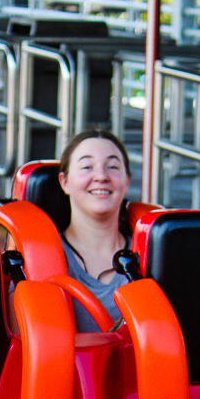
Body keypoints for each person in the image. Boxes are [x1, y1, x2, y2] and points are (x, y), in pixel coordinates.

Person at [57, 129, 131, 332]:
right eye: (87, 167)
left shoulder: (152, 255)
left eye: (113, 167)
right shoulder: (38, 257)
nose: (101, 176)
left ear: (127, 182)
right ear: (65, 182)